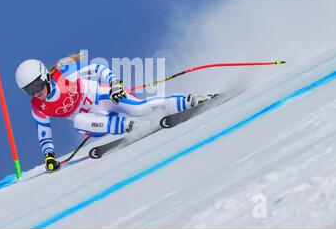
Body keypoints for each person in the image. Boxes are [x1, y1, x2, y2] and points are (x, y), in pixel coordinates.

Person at [15, 54, 212, 173]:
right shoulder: (38, 107)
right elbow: (44, 132)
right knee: (79, 121)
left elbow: (98, 68)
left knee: (139, 108)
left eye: (37, 85)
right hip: (96, 120)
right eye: (29, 90)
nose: (36, 92)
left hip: (105, 97)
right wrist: (49, 156)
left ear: (45, 77)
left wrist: (115, 83)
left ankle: (192, 100)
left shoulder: (63, 75)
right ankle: (133, 127)